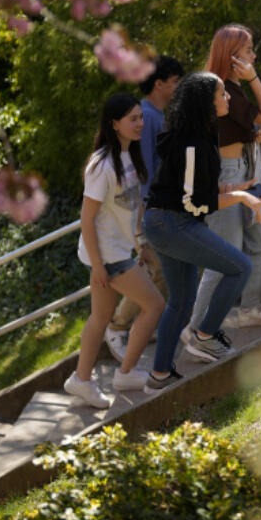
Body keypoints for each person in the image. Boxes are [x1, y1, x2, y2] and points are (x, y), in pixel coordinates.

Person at [142, 72, 261, 391]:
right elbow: (195, 203)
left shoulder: (198, 133)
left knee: (181, 300)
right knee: (241, 267)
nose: (228, 98)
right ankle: (206, 335)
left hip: (165, 221)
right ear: (204, 102)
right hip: (172, 224)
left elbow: (191, 188)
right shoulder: (193, 142)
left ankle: (159, 375)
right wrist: (238, 198)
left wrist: (230, 187)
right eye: (222, 94)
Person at [65, 93, 165, 407]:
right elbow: (87, 218)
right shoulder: (102, 164)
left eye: (140, 116)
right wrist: (98, 266)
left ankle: (81, 380)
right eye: (133, 118)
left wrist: (142, 243)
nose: (140, 123)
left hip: (119, 251)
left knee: (101, 317)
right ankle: (125, 372)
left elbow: (133, 207)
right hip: (108, 256)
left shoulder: (129, 157)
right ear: (114, 124)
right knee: (154, 304)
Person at [188, 24, 261, 332]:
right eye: (248, 51)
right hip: (225, 176)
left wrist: (250, 135)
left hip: (244, 169)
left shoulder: (230, 88)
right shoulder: (221, 89)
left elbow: (251, 124)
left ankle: (253, 309)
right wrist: (254, 79)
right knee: (225, 258)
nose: (254, 56)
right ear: (232, 56)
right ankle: (194, 329)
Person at [104, 55, 183, 362]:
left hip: (158, 207)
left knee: (161, 269)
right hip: (149, 210)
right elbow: (144, 170)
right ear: (159, 83)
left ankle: (139, 324)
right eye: (175, 81)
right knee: (153, 268)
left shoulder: (155, 114)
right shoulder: (147, 116)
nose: (178, 87)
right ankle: (118, 326)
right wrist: (144, 221)